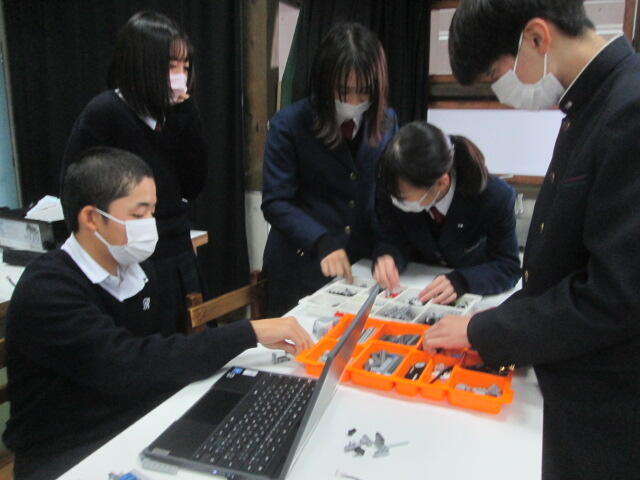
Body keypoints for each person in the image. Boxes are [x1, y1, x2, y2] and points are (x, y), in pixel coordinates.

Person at [422, 1, 640, 479]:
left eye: (497, 74)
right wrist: (491, 325)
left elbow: (615, 295)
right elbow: (562, 264)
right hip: (569, 387)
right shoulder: (589, 105)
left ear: (537, 38)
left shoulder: (628, 109)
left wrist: (487, 333)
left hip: (609, 414)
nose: (503, 92)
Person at [6, 147, 312, 480]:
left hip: (137, 424)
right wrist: (248, 332)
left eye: (152, 211)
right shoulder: (48, 290)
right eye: (138, 215)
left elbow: (165, 351)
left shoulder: (139, 271)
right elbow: (130, 365)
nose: (150, 225)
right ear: (91, 218)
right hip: (71, 454)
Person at [60, 11, 207, 335]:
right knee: (142, 345)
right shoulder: (105, 113)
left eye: (185, 67)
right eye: (171, 66)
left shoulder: (176, 113)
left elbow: (194, 184)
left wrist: (186, 115)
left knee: (187, 339)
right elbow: (75, 191)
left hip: (176, 249)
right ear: (143, 66)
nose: (180, 77)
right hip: (127, 256)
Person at [261, 22, 397, 316]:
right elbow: (276, 202)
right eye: (343, 91)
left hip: (357, 267)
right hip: (299, 267)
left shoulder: (386, 122)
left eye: (364, 92)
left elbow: (385, 198)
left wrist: (386, 248)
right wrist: (320, 240)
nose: (353, 101)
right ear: (324, 82)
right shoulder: (289, 124)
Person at [373, 121, 520, 303]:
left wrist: (463, 281)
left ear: (442, 182)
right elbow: (392, 238)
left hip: (470, 293)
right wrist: (388, 256)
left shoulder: (494, 197)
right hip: (414, 284)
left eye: (403, 196)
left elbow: (508, 267)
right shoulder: (393, 187)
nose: (395, 200)